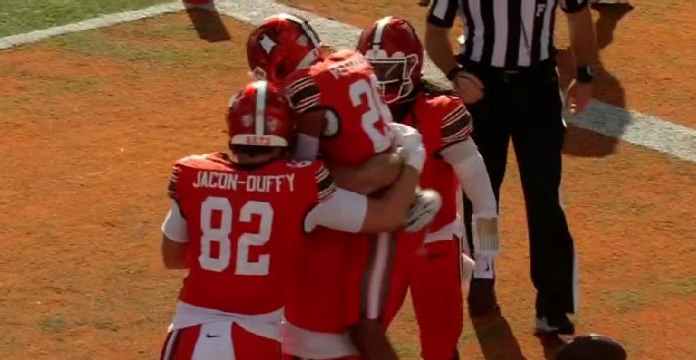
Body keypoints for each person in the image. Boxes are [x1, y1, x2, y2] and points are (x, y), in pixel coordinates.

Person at [159, 80, 442, 359]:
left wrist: (227, 257)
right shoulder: (301, 183)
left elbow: (172, 256)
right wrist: (413, 157)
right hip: (255, 339)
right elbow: (387, 215)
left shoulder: (193, 173)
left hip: (189, 332)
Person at [246, 13, 432, 359]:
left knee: (364, 327)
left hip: (381, 207)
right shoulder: (351, 60)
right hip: (375, 186)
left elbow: (303, 174)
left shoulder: (303, 90)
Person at [424, 0, 599, 334]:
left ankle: (552, 304)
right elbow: (434, 31)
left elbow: (578, 16)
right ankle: (483, 270)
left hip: (537, 86)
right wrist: (455, 74)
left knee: (544, 195)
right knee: (481, 192)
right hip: (482, 86)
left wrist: (586, 73)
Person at [356, 16, 500, 360]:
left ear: (412, 68)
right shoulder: (356, 112)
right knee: (356, 341)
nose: (380, 80)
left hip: (435, 246)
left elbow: (482, 197)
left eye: (389, 70)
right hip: (379, 247)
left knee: (440, 349)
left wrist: (486, 266)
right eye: (373, 70)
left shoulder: (439, 112)